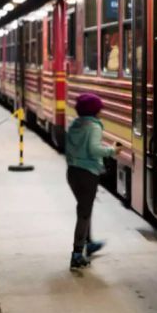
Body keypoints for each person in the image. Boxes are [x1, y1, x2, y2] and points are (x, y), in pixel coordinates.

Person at [65, 93, 122, 269]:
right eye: (99, 109)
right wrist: (112, 150)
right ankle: (76, 254)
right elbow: (94, 149)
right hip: (87, 173)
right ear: (94, 110)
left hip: (72, 172)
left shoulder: (75, 124)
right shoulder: (94, 127)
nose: (101, 112)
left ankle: (88, 243)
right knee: (83, 213)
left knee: (85, 209)